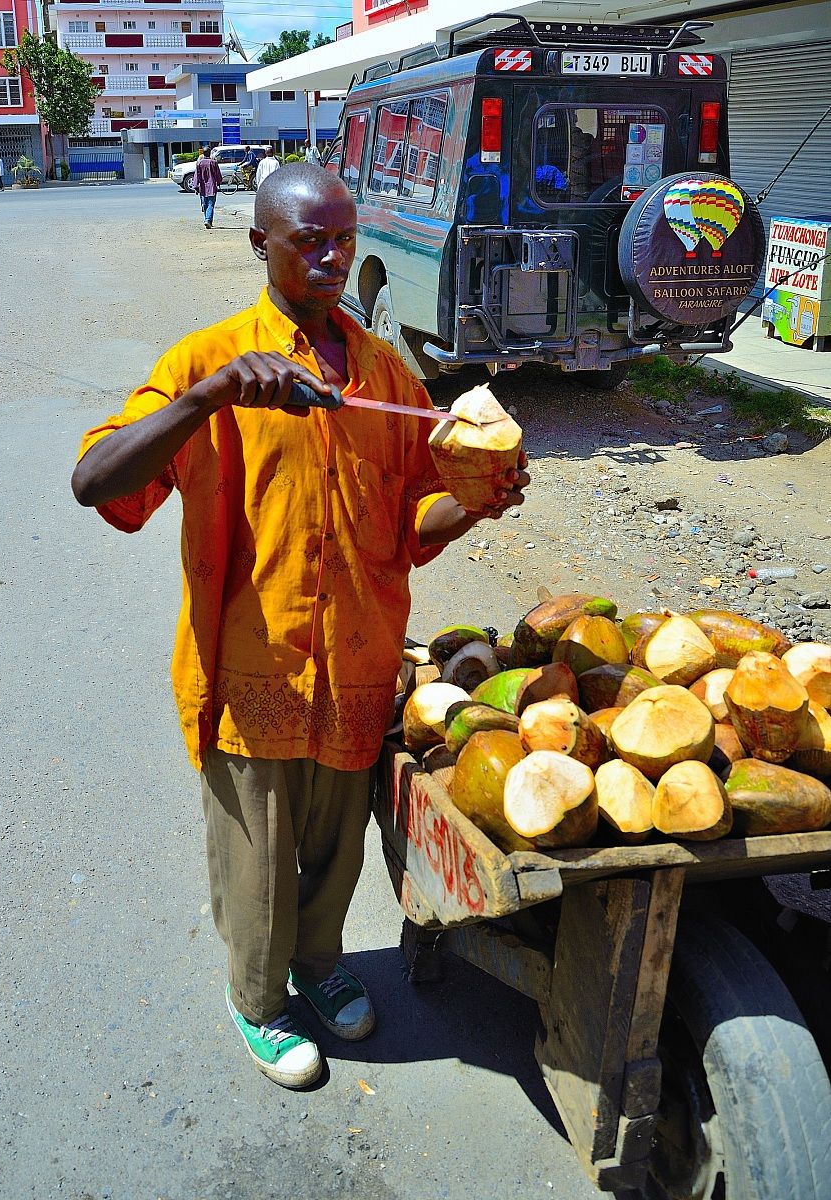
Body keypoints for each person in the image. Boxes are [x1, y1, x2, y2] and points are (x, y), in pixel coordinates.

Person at [71, 165, 529, 1090]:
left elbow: (408, 526)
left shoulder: (386, 373)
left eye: (343, 239)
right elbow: (95, 483)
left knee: (334, 850)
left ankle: (318, 971)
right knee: (259, 862)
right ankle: (259, 1001)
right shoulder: (210, 360)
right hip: (254, 669)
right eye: (307, 241)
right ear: (259, 245)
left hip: (358, 663)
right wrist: (210, 400)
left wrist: (477, 503)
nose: (330, 258)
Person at [193, 145, 222, 230]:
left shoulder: (199, 163)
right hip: (212, 186)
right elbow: (218, 175)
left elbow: (197, 176)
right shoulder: (214, 162)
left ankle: (208, 220)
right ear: (210, 153)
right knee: (210, 204)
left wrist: (195, 186)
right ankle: (208, 220)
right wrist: (219, 182)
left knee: (205, 204)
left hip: (202, 187)